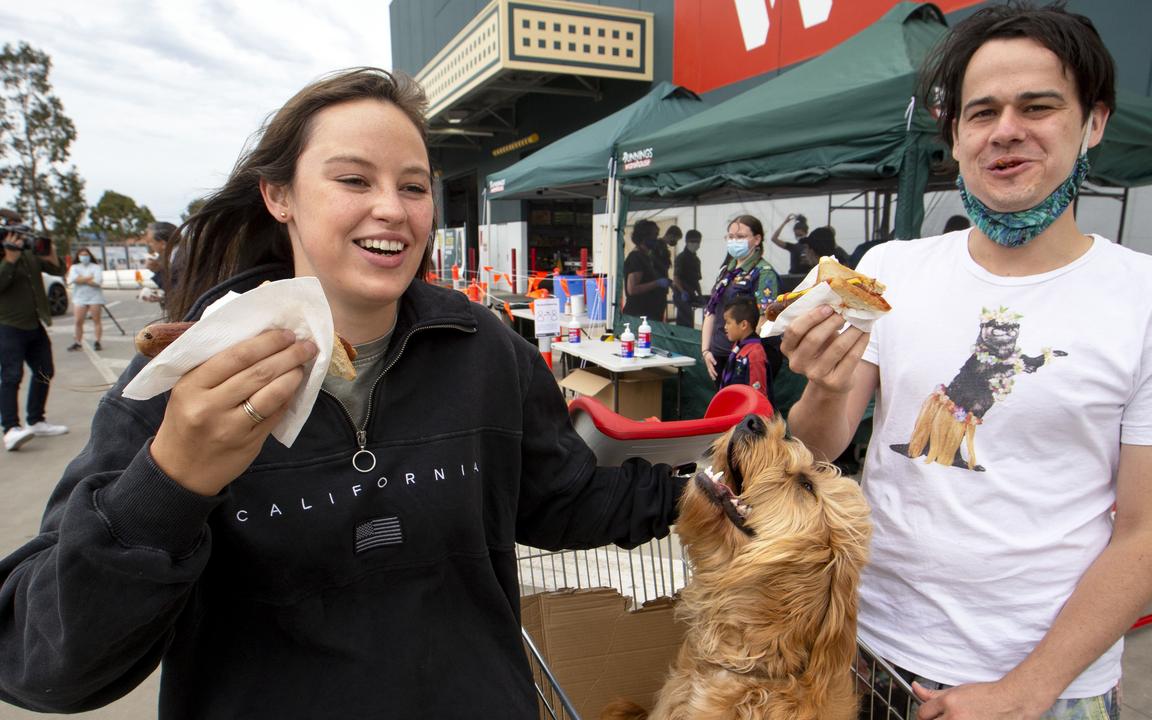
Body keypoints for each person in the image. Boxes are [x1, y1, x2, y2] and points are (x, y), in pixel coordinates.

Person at [0, 68, 685, 719]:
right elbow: (49, 663)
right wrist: (172, 478)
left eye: (414, 187)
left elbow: (563, 500)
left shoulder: (485, 349)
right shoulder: (186, 380)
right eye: (354, 179)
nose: (391, 209)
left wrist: (719, 486)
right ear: (280, 196)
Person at [782, 5, 1152, 720]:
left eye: (1039, 106)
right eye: (981, 112)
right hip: (866, 650)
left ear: (1094, 123)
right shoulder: (890, 269)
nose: (1006, 130)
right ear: (954, 136)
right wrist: (822, 383)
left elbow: (1151, 530)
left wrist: (1027, 689)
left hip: (1041, 686)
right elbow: (819, 445)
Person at [1, 214, 69, 452]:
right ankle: (10, 429)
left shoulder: (29, 253)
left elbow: (57, 267)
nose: (17, 238)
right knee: (11, 376)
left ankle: (36, 420)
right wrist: (10, 259)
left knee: (44, 370)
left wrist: (48, 250)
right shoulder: (5, 255)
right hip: (7, 325)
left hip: (34, 323)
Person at [701, 214, 778, 382]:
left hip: (743, 359)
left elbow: (764, 321)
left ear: (757, 239)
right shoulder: (726, 271)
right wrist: (705, 351)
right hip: (718, 355)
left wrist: (742, 353)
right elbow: (711, 310)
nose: (734, 241)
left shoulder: (764, 273)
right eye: (731, 237)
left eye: (741, 237)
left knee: (746, 406)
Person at [717, 295, 769, 400]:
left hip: (745, 413)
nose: (725, 327)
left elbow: (758, 396)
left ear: (744, 325)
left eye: (728, 323)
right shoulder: (738, 345)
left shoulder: (755, 354)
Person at [622, 218, 669, 320]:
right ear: (644, 237)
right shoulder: (636, 257)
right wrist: (657, 283)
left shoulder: (647, 256)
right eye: (655, 235)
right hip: (639, 316)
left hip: (651, 315)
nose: (657, 238)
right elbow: (632, 289)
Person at [67, 248, 107, 352]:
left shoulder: (96, 267)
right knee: (78, 321)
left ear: (90, 256)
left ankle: (97, 341)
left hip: (95, 297)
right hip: (80, 297)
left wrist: (81, 279)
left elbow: (97, 281)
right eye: (82, 255)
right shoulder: (74, 267)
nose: (84, 257)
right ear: (78, 256)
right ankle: (78, 342)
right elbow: (74, 280)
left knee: (96, 320)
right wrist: (89, 278)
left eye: (86, 255)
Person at [672, 229, 702, 328]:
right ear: (687, 241)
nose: (696, 244)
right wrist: (682, 292)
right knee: (683, 322)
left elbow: (696, 280)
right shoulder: (681, 258)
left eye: (698, 242)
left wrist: (700, 294)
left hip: (690, 294)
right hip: (681, 295)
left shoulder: (696, 259)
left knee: (689, 322)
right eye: (693, 241)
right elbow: (676, 278)